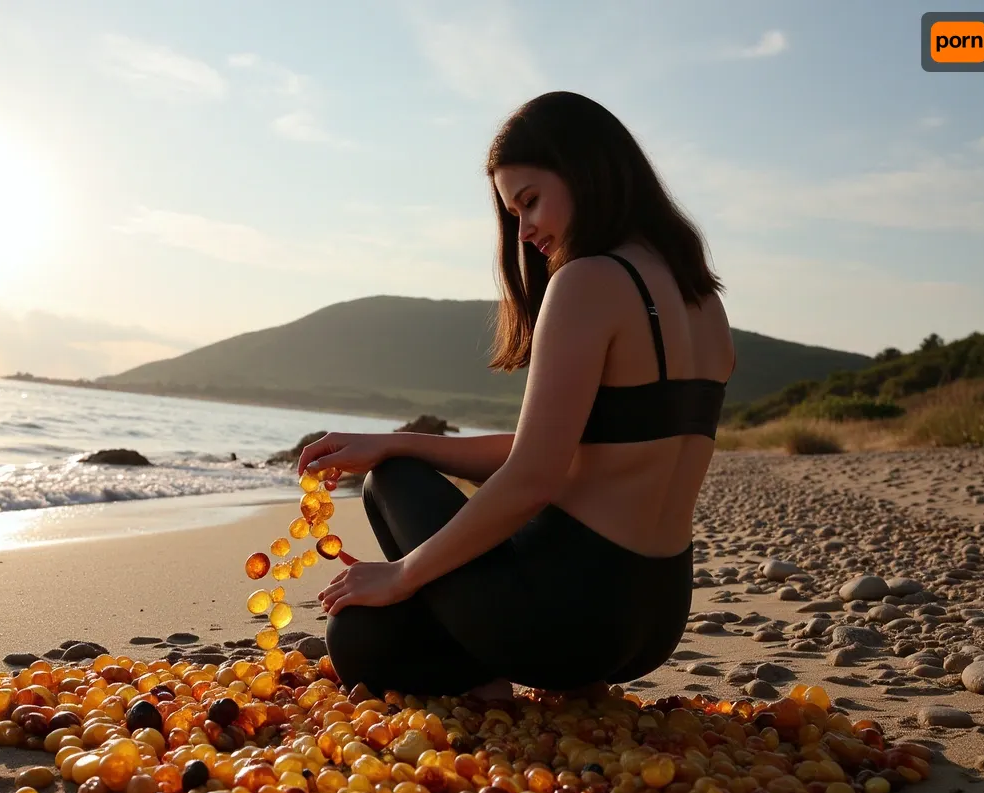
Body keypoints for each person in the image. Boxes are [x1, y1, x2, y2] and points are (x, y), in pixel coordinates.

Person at [296, 90, 736, 701]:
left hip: (565, 619)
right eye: (513, 213)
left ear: (586, 169)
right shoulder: (703, 302)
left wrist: (402, 575)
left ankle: (485, 681)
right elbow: (570, 451)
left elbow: (534, 478)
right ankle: (554, 682)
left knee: (373, 578)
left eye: (530, 202)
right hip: (656, 614)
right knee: (402, 470)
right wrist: (401, 439)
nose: (525, 229)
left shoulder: (589, 281)